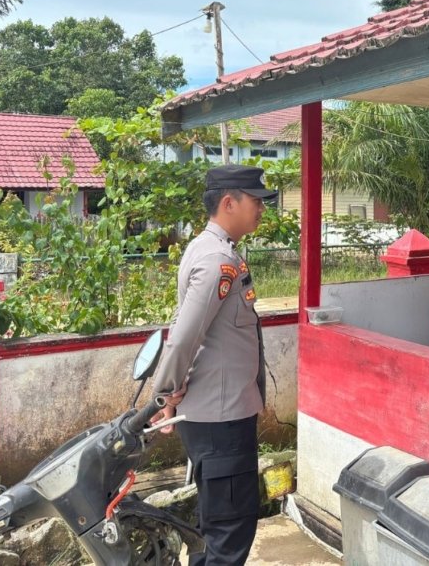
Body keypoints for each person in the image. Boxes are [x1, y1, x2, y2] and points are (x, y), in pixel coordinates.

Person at [150, 165, 277, 566]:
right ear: (229, 203)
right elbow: (185, 334)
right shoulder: (218, 260)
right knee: (230, 533)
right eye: (256, 201)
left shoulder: (209, 249)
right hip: (221, 422)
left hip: (222, 415)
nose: (262, 209)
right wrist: (164, 395)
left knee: (218, 528)